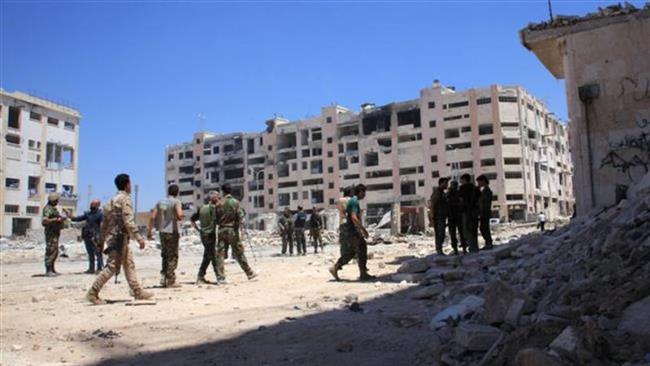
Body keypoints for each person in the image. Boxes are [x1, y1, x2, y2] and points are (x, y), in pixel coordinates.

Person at [86, 174, 153, 305]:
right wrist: (139, 238)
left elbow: (104, 225)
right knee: (112, 267)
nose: (131, 185)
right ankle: (93, 293)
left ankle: (137, 291)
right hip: (119, 238)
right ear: (127, 184)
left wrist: (101, 241)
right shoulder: (125, 199)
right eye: (130, 183)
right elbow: (128, 221)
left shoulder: (110, 202)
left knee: (128, 264)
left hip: (114, 237)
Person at [329, 184, 375, 281]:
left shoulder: (348, 201)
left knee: (352, 252)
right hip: (351, 230)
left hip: (347, 228)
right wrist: (363, 229)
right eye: (364, 192)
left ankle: (336, 267)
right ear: (360, 192)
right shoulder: (353, 201)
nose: (365, 195)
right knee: (362, 247)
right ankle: (363, 274)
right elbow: (354, 217)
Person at [215, 183, 257, 282]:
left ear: (223, 191)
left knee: (220, 254)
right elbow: (240, 216)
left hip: (221, 230)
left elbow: (215, 219)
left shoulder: (218, 203)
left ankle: (220, 277)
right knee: (239, 252)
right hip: (232, 230)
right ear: (231, 191)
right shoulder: (235, 202)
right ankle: (249, 273)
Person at [148, 184, 184, 288]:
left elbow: (152, 217)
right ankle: (171, 280)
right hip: (172, 232)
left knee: (165, 255)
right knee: (173, 256)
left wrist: (149, 231)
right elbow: (179, 215)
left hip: (162, 232)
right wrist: (181, 215)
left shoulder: (161, 202)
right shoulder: (176, 201)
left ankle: (163, 279)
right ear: (177, 192)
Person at [190, 191, 220, 284]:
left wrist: (198, 230)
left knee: (208, 255)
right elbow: (217, 220)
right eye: (217, 198)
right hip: (210, 234)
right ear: (213, 199)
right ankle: (219, 276)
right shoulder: (213, 208)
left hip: (203, 234)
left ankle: (201, 276)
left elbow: (192, 219)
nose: (218, 199)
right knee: (213, 255)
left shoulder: (201, 208)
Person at [68, 199, 104, 273]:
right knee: (90, 253)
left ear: (97, 205)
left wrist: (101, 236)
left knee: (98, 253)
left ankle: (99, 268)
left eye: (93, 204)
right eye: (91, 204)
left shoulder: (100, 214)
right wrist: (71, 216)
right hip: (87, 235)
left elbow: (102, 225)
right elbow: (78, 219)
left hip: (95, 236)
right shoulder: (88, 214)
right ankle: (91, 269)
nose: (91, 206)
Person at [42, 193, 67, 276]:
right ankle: (48, 270)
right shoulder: (48, 209)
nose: (57, 202)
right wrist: (57, 219)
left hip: (55, 233)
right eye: (56, 200)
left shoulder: (53, 209)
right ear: (52, 200)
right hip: (51, 233)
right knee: (50, 251)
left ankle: (52, 269)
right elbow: (45, 221)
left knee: (55, 252)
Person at [459, 174, 479, 253]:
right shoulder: (475, 188)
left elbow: (460, 199)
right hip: (474, 211)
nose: (460, 182)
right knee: (474, 229)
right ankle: (475, 246)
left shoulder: (462, 188)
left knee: (467, 230)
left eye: (461, 180)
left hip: (466, 211)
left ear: (464, 180)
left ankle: (472, 247)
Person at [430, 178, 449, 255]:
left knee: (442, 233)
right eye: (445, 183)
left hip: (442, 216)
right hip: (438, 217)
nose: (446, 185)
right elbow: (432, 205)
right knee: (439, 234)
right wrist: (432, 218)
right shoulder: (437, 193)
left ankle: (439, 249)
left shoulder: (442, 193)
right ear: (441, 183)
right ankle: (439, 249)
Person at [447, 180, 466, 254]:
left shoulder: (459, 193)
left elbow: (462, 203)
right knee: (455, 233)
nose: (453, 187)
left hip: (456, 215)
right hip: (453, 216)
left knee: (458, 233)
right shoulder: (451, 194)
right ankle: (457, 249)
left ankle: (460, 248)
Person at [476, 175, 494, 250]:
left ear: (483, 181)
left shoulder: (487, 191)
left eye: (479, 182)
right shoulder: (484, 191)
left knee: (484, 228)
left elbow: (483, 203)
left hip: (485, 212)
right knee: (483, 228)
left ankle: (489, 242)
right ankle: (488, 242)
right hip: (483, 211)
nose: (478, 184)